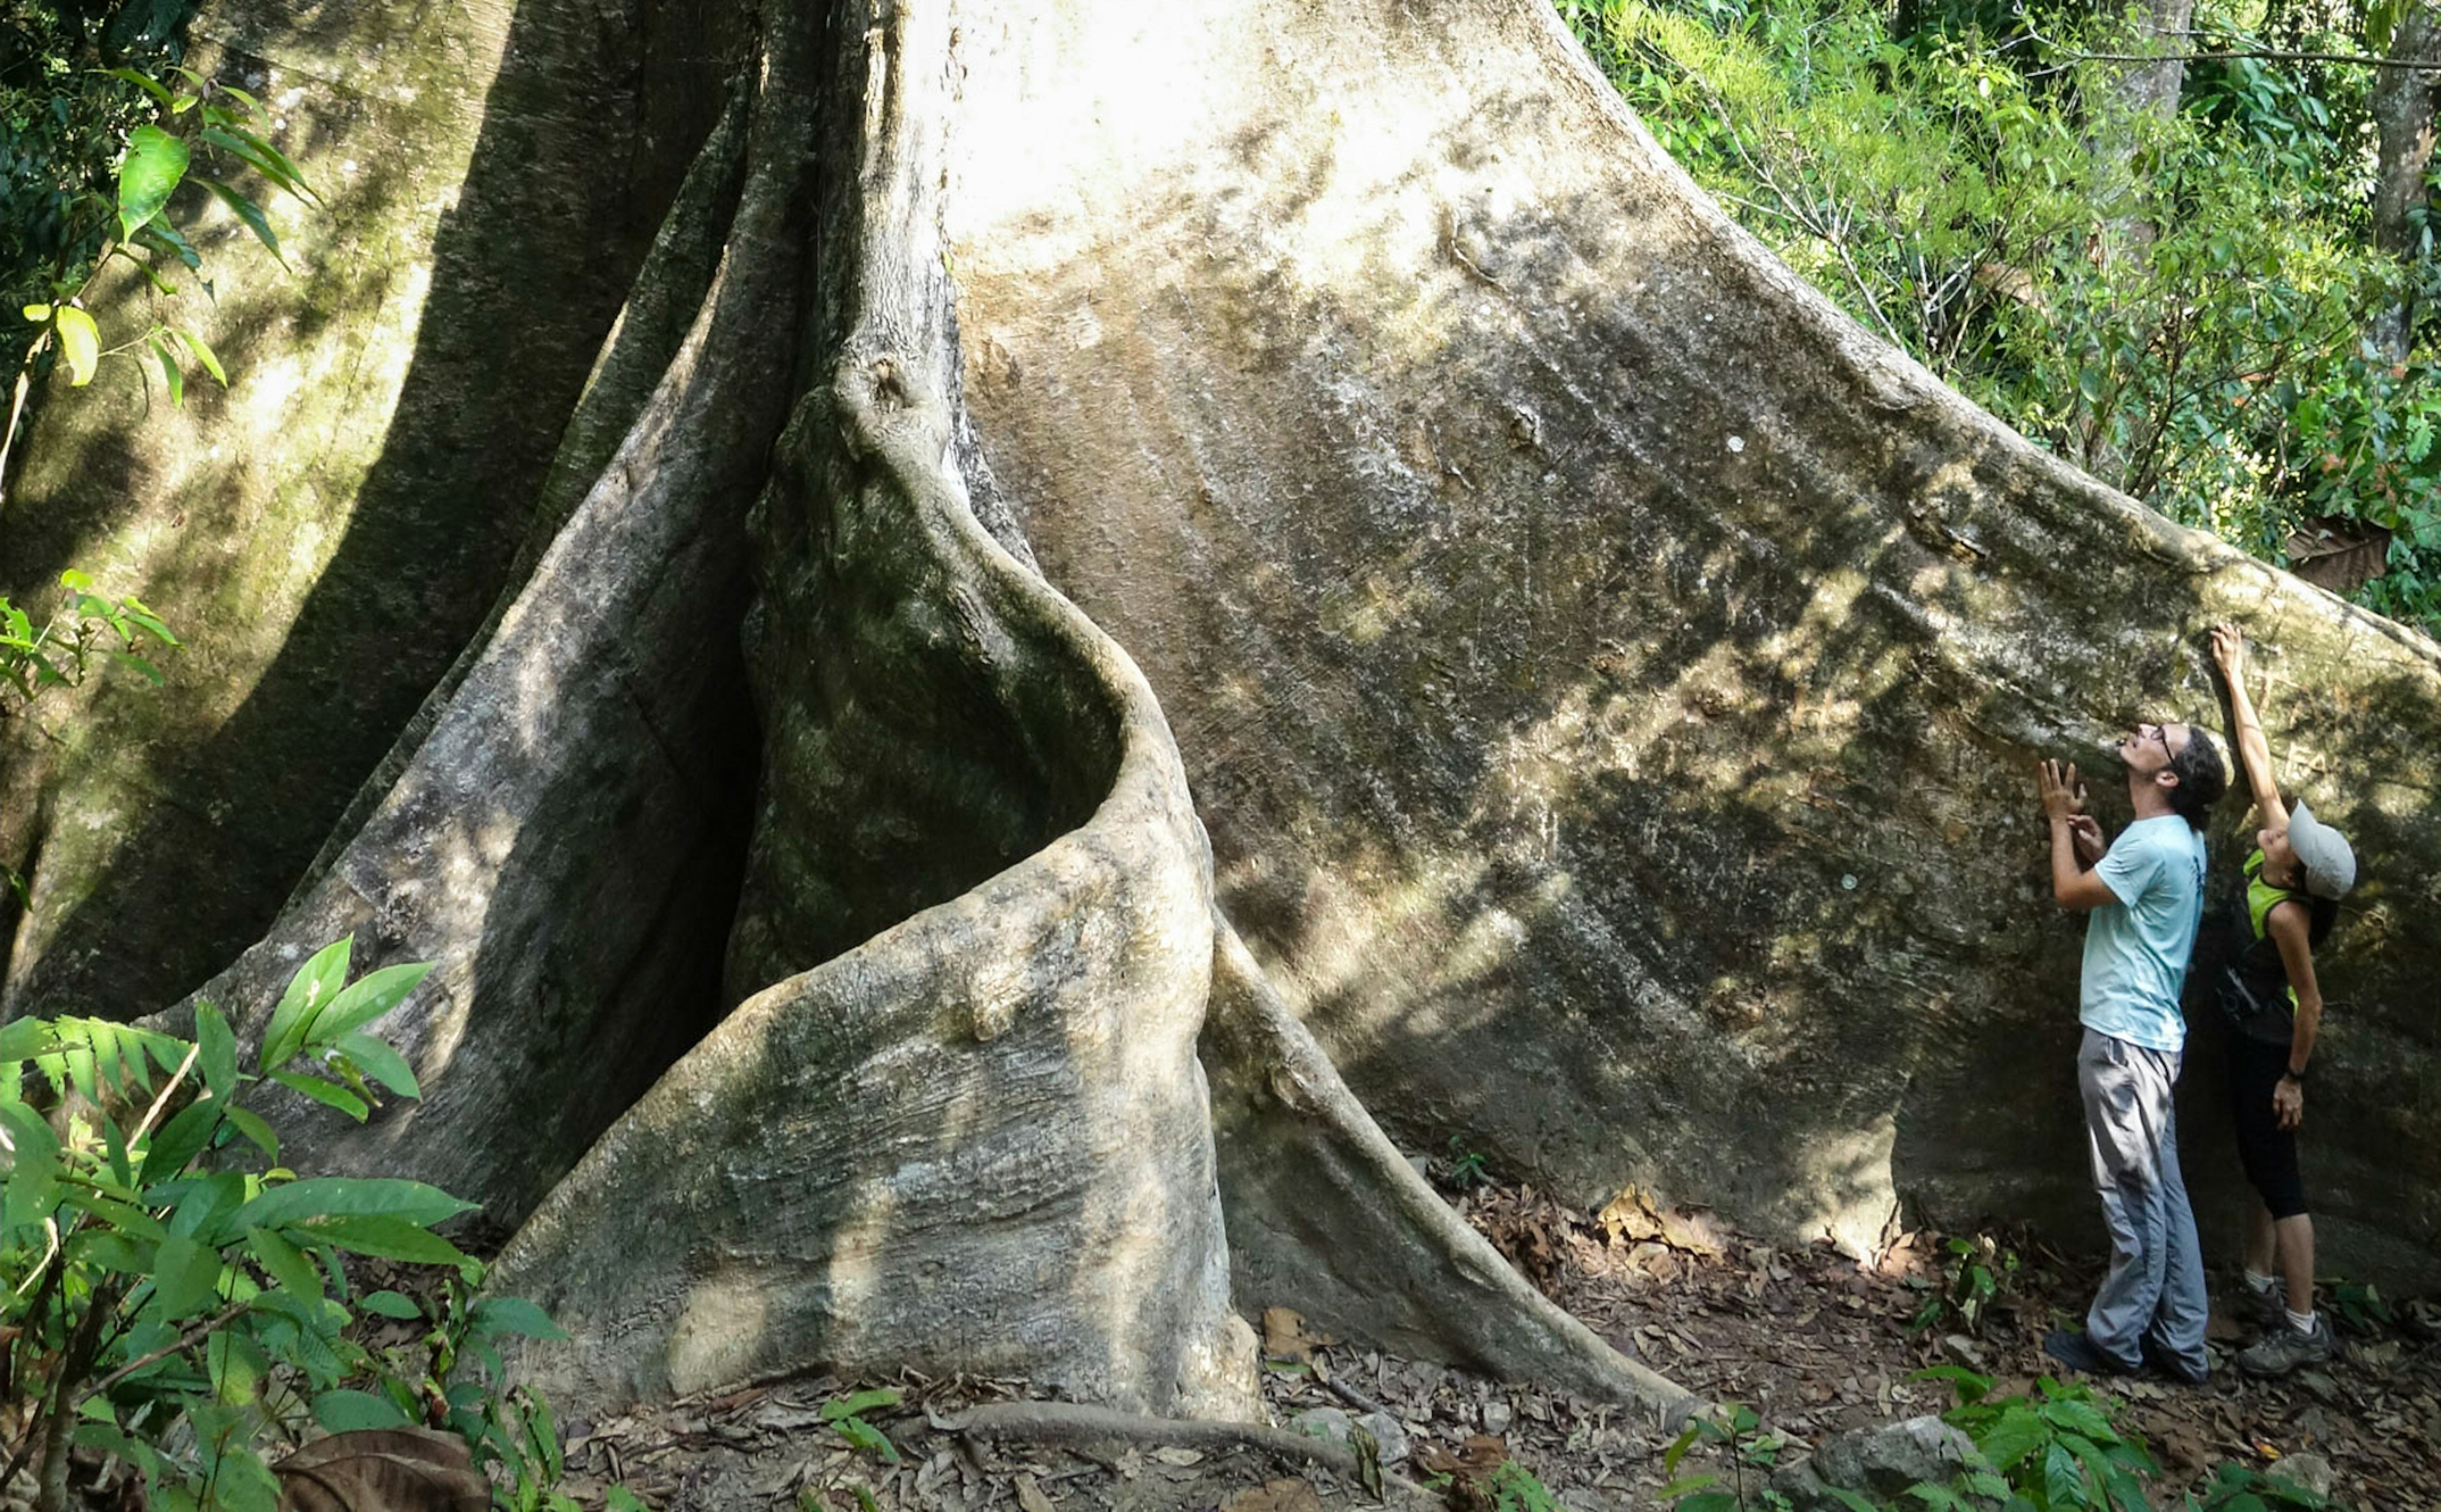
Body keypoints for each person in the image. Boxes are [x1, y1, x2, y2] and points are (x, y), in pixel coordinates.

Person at [2035, 709, 2227, 1384]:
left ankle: (2117, 1342)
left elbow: (2068, 895)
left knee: (2132, 1193)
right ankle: (2182, 1340)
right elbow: (2135, 898)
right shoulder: (2177, 837)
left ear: (2168, 775)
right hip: (2152, 1038)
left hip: (2125, 1043)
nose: (2144, 728)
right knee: (2164, 1191)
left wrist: (2058, 820)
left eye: (2160, 736)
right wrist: (2098, 849)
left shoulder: (2155, 843)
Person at [2207, 625, 2356, 1378]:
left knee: (2281, 1179)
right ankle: (2260, 1287)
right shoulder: (2280, 853)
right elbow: (2259, 762)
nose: (2275, 831)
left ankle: (2302, 1325)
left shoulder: (2291, 918)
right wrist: (2236, 675)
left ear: (2296, 877)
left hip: (2272, 1054)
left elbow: (2312, 1004)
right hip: (2245, 1039)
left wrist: (2291, 1080)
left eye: (2287, 843)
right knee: (2258, 1168)